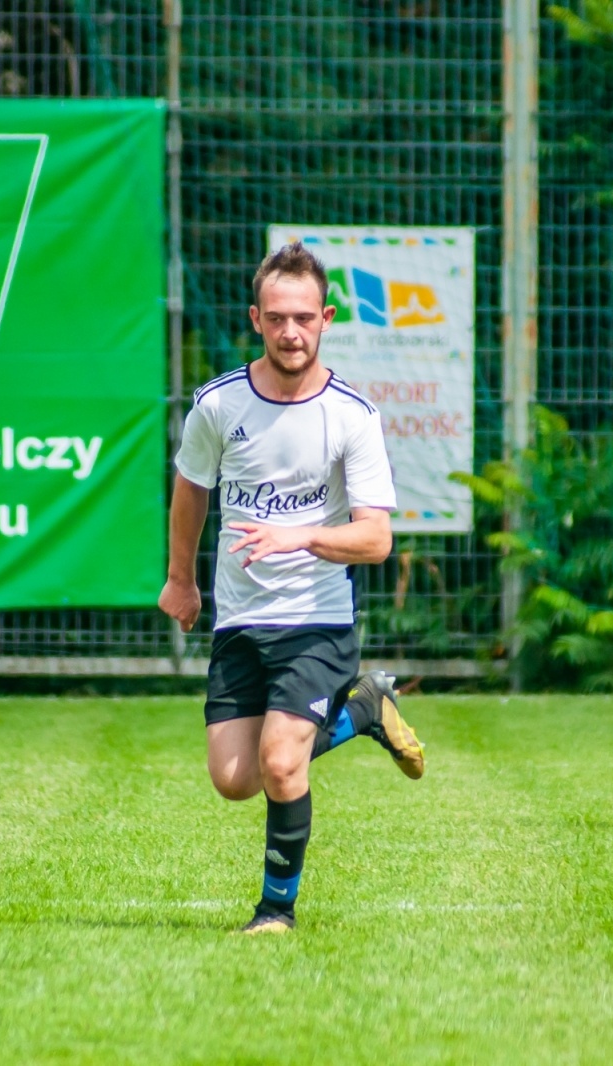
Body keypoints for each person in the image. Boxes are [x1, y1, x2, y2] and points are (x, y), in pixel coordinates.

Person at [158, 241, 426, 935]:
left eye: (304, 317)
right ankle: (364, 710)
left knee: (282, 763)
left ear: (327, 317)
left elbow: (375, 539)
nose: (290, 332)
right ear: (256, 317)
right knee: (233, 779)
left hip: (317, 620)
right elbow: (190, 491)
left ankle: (276, 911)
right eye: (277, 317)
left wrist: (299, 536)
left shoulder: (352, 416)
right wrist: (180, 580)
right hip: (240, 623)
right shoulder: (218, 405)